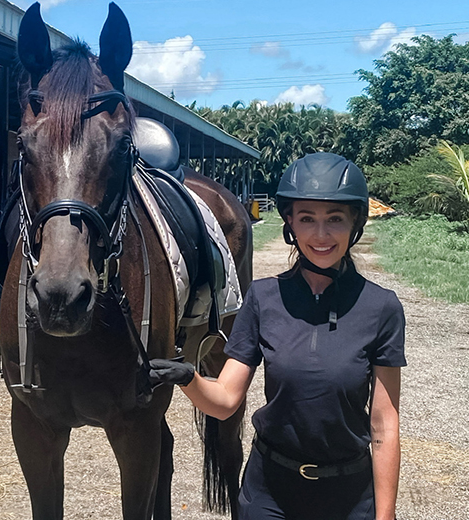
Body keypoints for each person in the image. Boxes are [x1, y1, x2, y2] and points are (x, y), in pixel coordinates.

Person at [150, 153, 406, 520]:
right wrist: (187, 376)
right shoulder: (264, 297)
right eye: (307, 219)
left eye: (335, 219)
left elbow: (383, 424)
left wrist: (386, 514)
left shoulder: (381, 308)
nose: (320, 235)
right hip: (269, 491)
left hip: (349, 494)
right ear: (290, 223)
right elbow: (224, 401)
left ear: (356, 223)